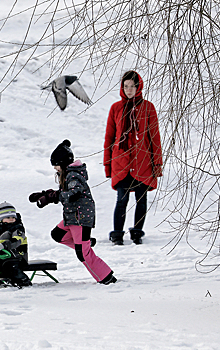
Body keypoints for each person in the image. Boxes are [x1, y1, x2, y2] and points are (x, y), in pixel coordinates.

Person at [29, 140, 117, 285]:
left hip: (80, 218)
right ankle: (84, 244)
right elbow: (64, 192)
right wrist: (44, 194)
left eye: (56, 165)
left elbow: (73, 193)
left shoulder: (74, 176)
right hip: (72, 217)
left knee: (83, 254)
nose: (55, 168)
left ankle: (107, 278)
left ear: (63, 163)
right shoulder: (70, 175)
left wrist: (52, 197)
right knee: (58, 234)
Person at [103, 71, 163, 245]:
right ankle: (117, 234)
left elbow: (154, 138)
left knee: (141, 199)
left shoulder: (148, 107)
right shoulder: (116, 108)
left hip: (143, 161)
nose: (129, 90)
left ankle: (137, 232)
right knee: (121, 199)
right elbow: (109, 138)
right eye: (126, 86)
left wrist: (157, 163)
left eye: (132, 86)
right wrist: (108, 165)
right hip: (121, 163)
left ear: (139, 87)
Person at [0, 201, 32, 287]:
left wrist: (4, 245)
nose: (11, 219)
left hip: (17, 256)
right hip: (3, 256)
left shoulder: (18, 228)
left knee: (10, 267)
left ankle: (22, 280)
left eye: (13, 217)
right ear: (1, 219)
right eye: (8, 217)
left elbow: (16, 241)